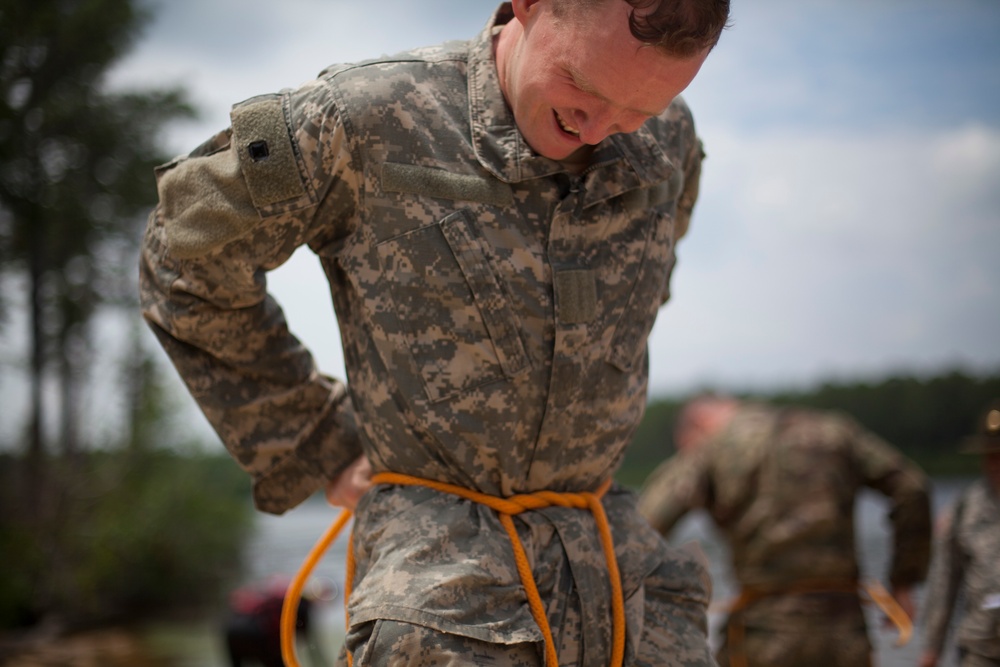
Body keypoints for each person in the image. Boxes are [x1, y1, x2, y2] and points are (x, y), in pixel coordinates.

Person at [139, 0, 730, 664]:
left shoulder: (673, 142)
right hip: (441, 599)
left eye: (638, 112)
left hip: (627, 592)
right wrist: (312, 437)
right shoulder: (364, 116)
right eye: (582, 90)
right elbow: (183, 253)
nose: (602, 130)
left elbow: (640, 295)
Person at [637, 395, 932, 667]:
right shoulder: (835, 431)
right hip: (845, 633)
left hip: (765, 635)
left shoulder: (713, 447)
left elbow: (644, 524)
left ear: (697, 427)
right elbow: (912, 487)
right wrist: (904, 581)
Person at [919, 398, 1000, 667]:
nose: (995, 464)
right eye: (990, 455)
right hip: (980, 650)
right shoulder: (965, 509)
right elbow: (944, 582)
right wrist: (931, 649)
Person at [224, 576, 326, 667]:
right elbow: (311, 646)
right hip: (257, 635)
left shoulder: (282, 595)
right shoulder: (303, 606)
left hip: (232, 629)